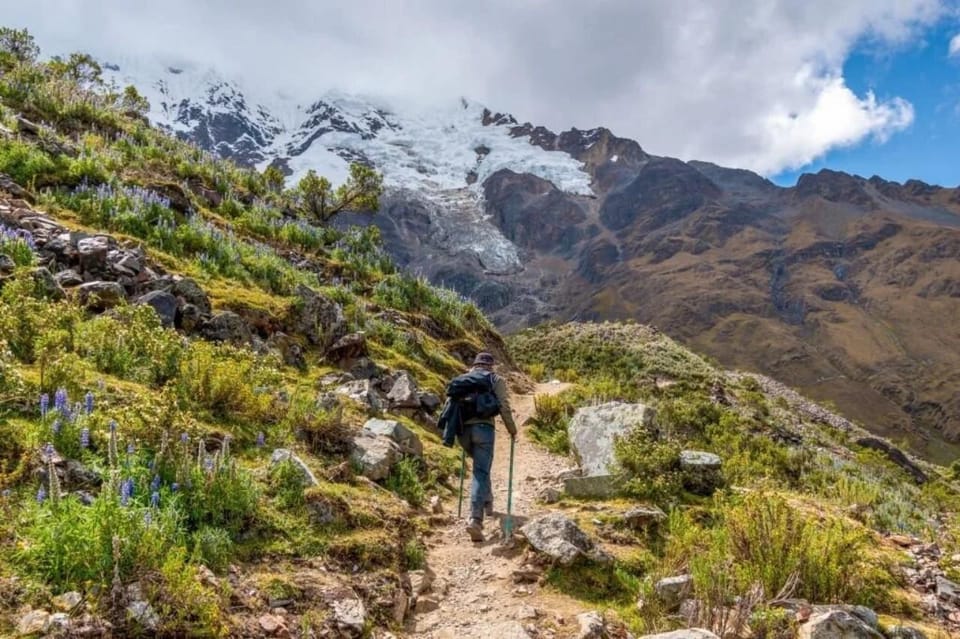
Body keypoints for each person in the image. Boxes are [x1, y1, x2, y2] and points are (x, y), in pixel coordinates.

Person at [461, 352, 517, 542]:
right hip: (484, 429)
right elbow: (503, 405)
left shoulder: (463, 379)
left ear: (475, 364)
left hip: (462, 432)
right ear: (490, 366)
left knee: (481, 468)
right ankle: (475, 520)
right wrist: (512, 429)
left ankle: (488, 502)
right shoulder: (495, 379)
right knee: (480, 471)